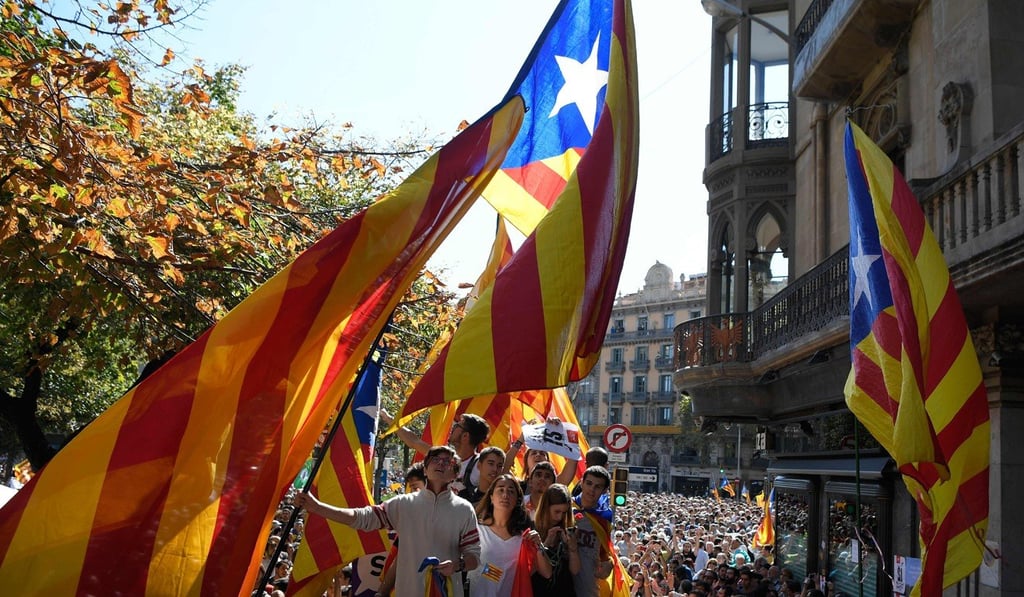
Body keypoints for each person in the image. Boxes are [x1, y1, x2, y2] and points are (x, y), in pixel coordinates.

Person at [295, 445, 481, 596]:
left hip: (447, 592)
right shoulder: (403, 504)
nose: (441, 463)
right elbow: (363, 518)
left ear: (455, 473)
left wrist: (457, 565)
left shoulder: (464, 510)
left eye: (447, 461)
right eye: (435, 459)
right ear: (425, 468)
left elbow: (474, 557)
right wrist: (317, 507)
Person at [383, 410, 491, 496]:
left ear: (465, 436)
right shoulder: (444, 457)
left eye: (457, 425)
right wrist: (389, 419)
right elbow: (414, 441)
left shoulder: (480, 467)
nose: (453, 427)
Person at [469, 473, 540, 596]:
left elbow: (530, 571)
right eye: (500, 489)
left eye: (511, 491)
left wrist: (539, 547)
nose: (505, 495)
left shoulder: (524, 538)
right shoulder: (475, 530)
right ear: (491, 497)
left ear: (518, 500)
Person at [572, 466, 616, 597]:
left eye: (597, 487)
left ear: (604, 490)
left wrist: (609, 564)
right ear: (581, 482)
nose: (591, 489)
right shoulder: (566, 507)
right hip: (561, 583)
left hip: (587, 587)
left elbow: (605, 554)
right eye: (589, 483)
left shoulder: (604, 518)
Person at [532, 483, 580, 596]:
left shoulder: (568, 530)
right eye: (557, 512)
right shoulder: (533, 530)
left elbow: (575, 570)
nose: (560, 517)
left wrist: (573, 549)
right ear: (545, 507)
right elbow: (536, 571)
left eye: (564, 513)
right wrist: (545, 544)